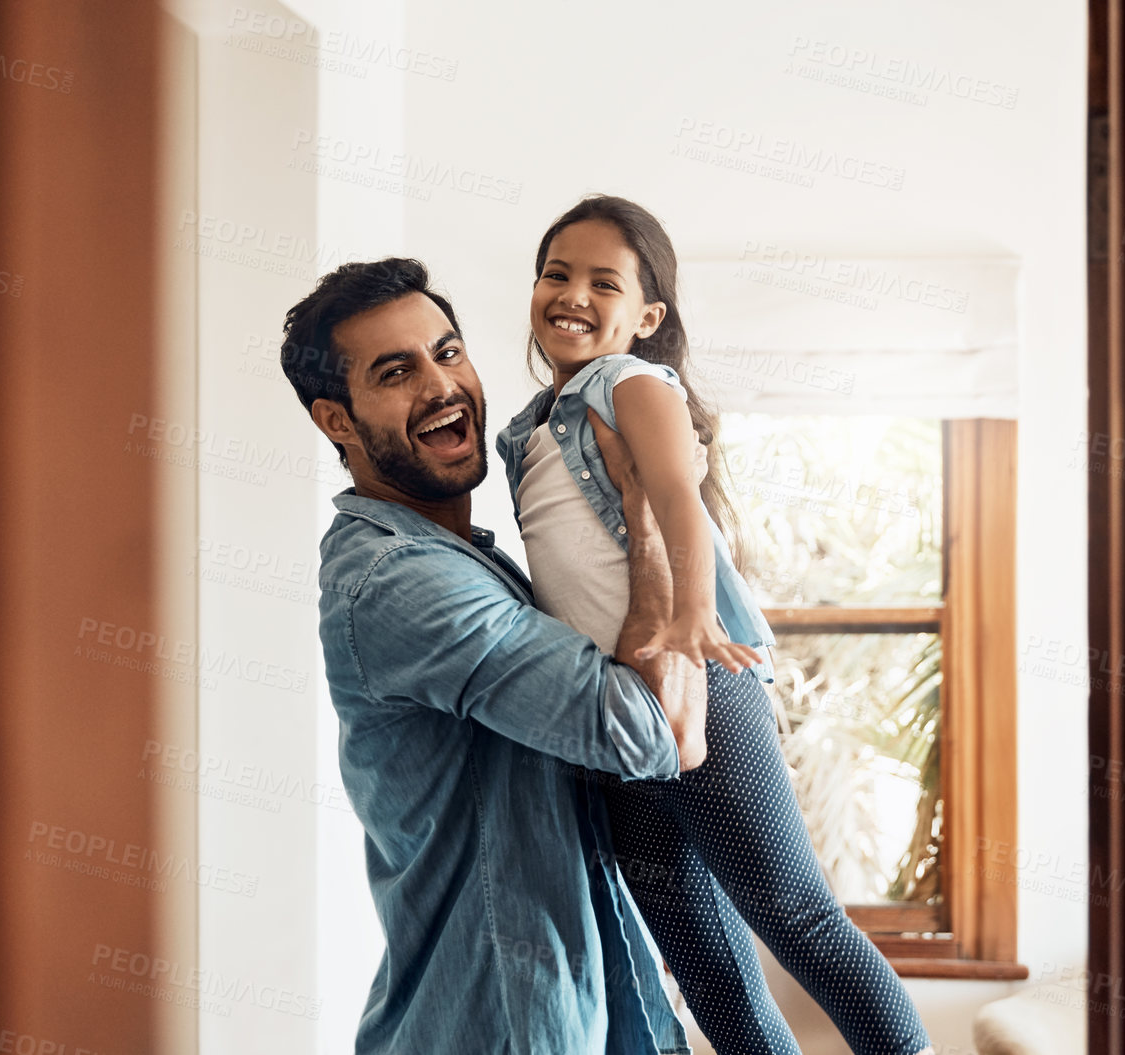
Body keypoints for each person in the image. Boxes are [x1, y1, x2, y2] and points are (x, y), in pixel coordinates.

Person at [496, 195, 933, 1055]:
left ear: (646, 316)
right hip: (612, 705)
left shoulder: (631, 383)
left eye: (603, 281)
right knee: (693, 940)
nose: (571, 292)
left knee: (792, 910)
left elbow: (679, 503)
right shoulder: (526, 430)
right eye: (556, 272)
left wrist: (694, 614)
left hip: (702, 670)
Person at [281, 257, 711, 1055]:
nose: (442, 386)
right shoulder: (399, 580)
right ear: (336, 421)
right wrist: (645, 515)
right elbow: (649, 732)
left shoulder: (466, 557)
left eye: (448, 352)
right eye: (396, 372)